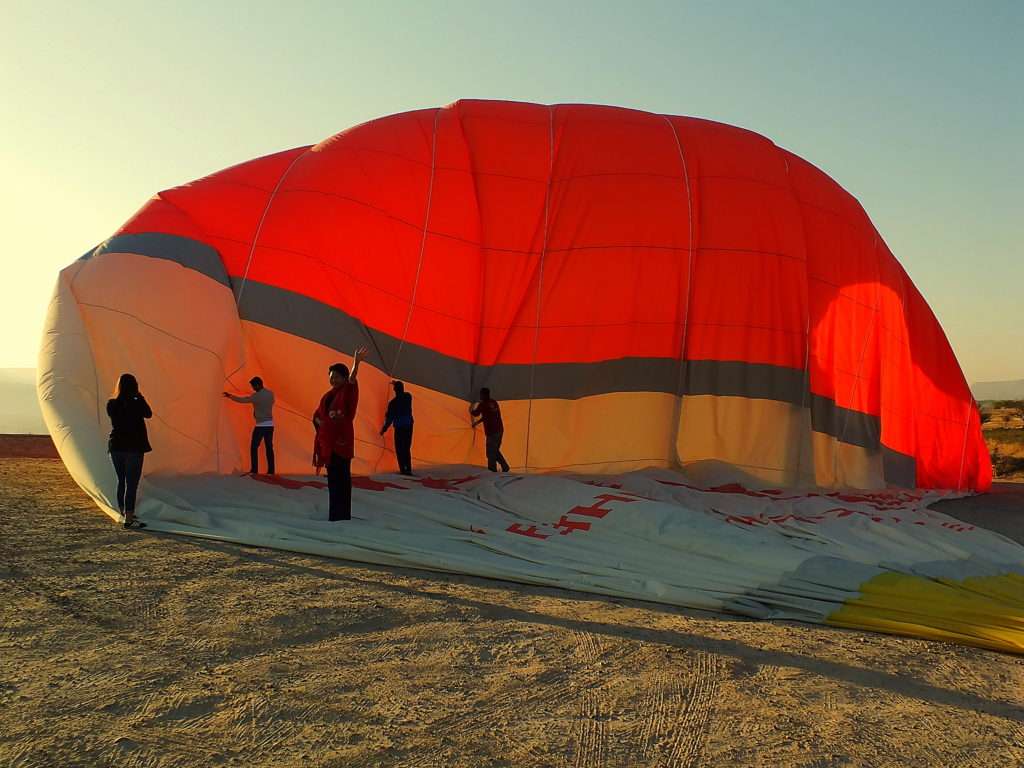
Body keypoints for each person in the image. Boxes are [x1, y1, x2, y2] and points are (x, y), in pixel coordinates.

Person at [313, 347, 368, 521]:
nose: (334, 380)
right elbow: (317, 415)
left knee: (342, 480)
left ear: (343, 378)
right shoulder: (328, 396)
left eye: (337, 377)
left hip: (342, 442)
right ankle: (334, 515)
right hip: (328, 445)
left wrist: (356, 363)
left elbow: (352, 380)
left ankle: (343, 515)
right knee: (333, 482)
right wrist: (321, 424)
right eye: (331, 377)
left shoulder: (347, 392)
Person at [106, 373, 153, 529]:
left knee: (122, 481)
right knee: (131, 484)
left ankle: (123, 512)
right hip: (133, 447)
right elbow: (148, 413)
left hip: (116, 446)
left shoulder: (111, 404)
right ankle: (129, 518)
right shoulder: (136, 403)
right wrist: (139, 396)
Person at [223, 376, 276, 475]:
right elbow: (272, 402)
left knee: (254, 447)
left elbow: (243, 400)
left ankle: (254, 470)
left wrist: (230, 396)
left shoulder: (256, 396)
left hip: (261, 425)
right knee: (269, 447)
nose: (252, 388)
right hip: (270, 425)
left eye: (253, 386)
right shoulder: (270, 394)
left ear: (258, 385)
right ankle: (271, 470)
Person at [470, 387, 510, 472]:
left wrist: (471, 407)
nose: (480, 396)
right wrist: (477, 423)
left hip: (492, 432)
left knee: (490, 453)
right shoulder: (494, 403)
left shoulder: (483, 404)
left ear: (484, 395)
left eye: (480, 394)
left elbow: (476, 413)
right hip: (499, 430)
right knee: (494, 451)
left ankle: (492, 471)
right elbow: (487, 416)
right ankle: (504, 466)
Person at [380, 380, 414, 475]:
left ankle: (403, 469)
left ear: (395, 390)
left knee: (399, 449)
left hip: (399, 427)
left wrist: (383, 429)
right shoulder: (408, 397)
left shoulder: (393, 403)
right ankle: (408, 469)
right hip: (408, 426)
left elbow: (389, 419)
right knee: (406, 448)